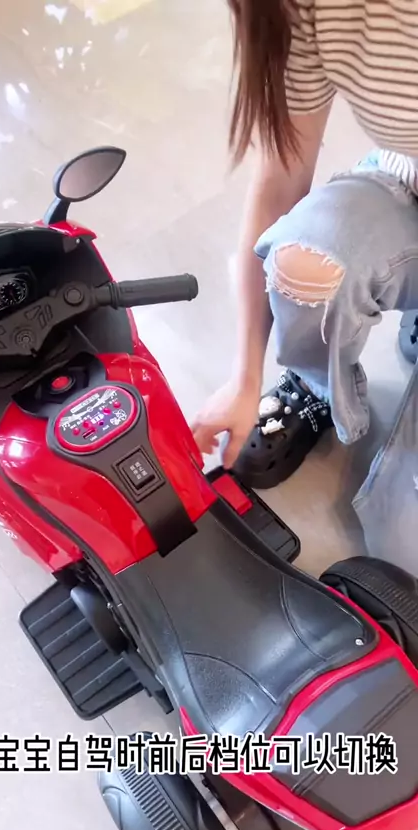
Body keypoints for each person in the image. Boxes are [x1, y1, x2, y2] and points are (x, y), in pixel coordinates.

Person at [192, 0, 418, 490]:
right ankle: (316, 385)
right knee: (305, 259)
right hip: (407, 184)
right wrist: (245, 376)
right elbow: (279, 181)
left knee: (400, 527)